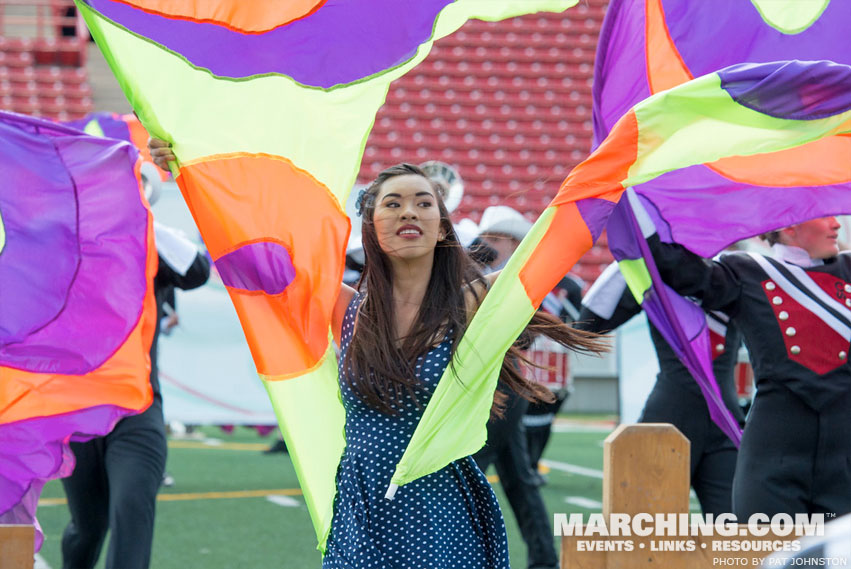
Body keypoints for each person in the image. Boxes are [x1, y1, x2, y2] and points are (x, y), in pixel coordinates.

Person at [151, 140, 606, 568]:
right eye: (393, 203)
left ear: (442, 225)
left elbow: (560, 236)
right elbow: (255, 255)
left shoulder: (476, 300)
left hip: (440, 510)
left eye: (424, 202)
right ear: (371, 226)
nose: (409, 211)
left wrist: (627, 154)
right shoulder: (345, 310)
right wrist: (192, 172)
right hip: (360, 508)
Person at [641, 210, 850, 519]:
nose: (837, 224)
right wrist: (636, 206)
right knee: (761, 558)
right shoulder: (747, 271)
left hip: (844, 457)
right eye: (824, 216)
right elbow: (677, 268)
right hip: (775, 455)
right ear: (790, 224)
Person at [61, 219, 210, 569]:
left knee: (130, 516)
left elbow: (198, 271)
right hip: (80, 412)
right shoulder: (68, 244)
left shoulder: (146, 247)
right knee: (88, 527)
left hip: (138, 412)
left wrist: (142, 215)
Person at [576, 261, 745, 515]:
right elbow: (588, 327)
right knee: (648, 538)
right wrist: (630, 258)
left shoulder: (735, 269)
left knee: (737, 542)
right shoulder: (651, 268)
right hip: (678, 418)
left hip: (716, 421)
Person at [471, 205, 565, 569]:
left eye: (496, 239)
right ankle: (543, 558)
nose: (487, 245)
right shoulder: (485, 275)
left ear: (514, 243)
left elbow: (524, 336)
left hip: (500, 389)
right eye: (487, 238)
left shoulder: (521, 278)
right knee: (521, 482)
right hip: (499, 387)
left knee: (469, 472)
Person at [523, 274, 584, 482]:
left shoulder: (572, 286)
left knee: (547, 418)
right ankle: (524, 466)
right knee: (521, 418)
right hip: (524, 359)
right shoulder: (527, 277)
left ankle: (533, 462)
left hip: (558, 362)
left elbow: (579, 322)